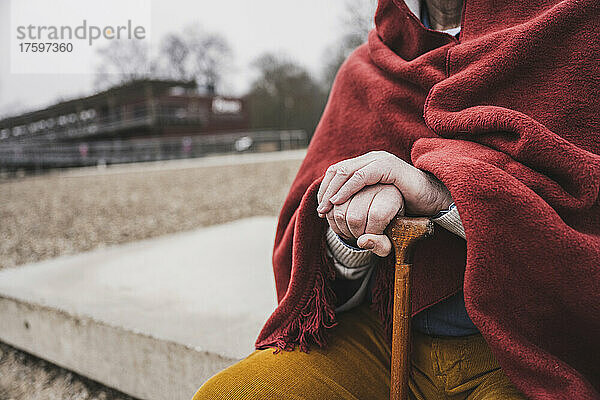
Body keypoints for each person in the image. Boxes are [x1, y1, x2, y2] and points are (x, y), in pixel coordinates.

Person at [194, 0, 600, 398]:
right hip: (384, 338)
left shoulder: (576, 30)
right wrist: (349, 227)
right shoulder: (365, 69)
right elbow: (307, 253)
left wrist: (439, 194)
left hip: (531, 350)